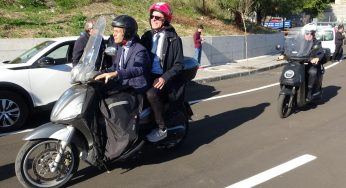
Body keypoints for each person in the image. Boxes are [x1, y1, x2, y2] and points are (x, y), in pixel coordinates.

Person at [141, 2, 184, 142]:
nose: (153, 19)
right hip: (148, 75)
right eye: (152, 16)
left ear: (165, 20)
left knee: (151, 94)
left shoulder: (174, 39)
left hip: (163, 77)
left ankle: (161, 128)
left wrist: (164, 78)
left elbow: (179, 65)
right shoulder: (147, 36)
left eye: (158, 18)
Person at [95, 15, 150, 95]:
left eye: (117, 31)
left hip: (135, 87)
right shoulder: (120, 47)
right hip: (122, 84)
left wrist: (116, 73)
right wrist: (99, 73)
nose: (114, 34)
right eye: (114, 31)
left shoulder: (140, 50)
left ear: (127, 33)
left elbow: (138, 69)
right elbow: (115, 67)